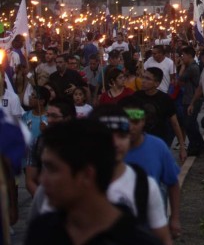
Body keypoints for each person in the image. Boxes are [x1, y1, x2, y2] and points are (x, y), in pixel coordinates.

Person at [25, 119, 161, 245]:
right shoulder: (42, 230)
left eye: (53, 169)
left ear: (86, 174)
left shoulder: (136, 241)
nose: (42, 179)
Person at [121, 96, 183, 239]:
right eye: (126, 121)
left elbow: (172, 183)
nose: (131, 126)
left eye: (135, 121)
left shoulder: (158, 147)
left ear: (143, 121)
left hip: (152, 225)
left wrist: (174, 218)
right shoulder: (113, 149)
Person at [133, 68, 186, 163]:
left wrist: (182, 147)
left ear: (156, 83)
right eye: (143, 77)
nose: (143, 81)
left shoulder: (165, 99)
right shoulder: (136, 97)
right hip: (140, 142)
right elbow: (132, 119)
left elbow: (174, 123)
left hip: (160, 141)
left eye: (148, 79)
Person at [178, 46, 204, 156]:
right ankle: (199, 144)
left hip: (192, 99)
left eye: (183, 55)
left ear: (189, 55)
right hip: (189, 98)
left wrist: (183, 66)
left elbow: (180, 78)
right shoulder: (193, 67)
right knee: (191, 123)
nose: (182, 58)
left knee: (189, 123)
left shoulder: (192, 68)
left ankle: (195, 145)